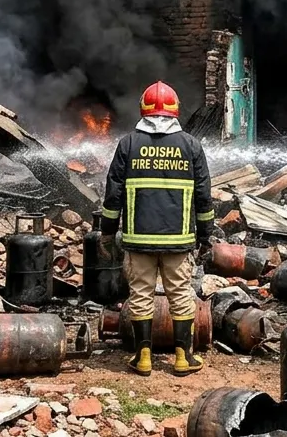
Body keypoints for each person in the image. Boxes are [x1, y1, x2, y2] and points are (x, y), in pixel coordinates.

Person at [100, 81, 215, 376]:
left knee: (140, 294)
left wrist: (107, 231)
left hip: (138, 241)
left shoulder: (128, 144)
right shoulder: (191, 146)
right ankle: (182, 357)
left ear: (143, 109)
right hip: (179, 241)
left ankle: (143, 358)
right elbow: (203, 196)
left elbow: (112, 194)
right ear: (175, 111)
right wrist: (206, 236)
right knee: (180, 294)